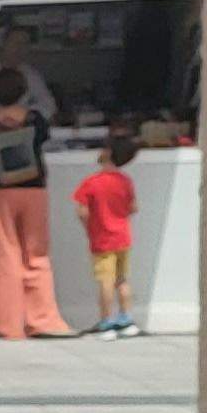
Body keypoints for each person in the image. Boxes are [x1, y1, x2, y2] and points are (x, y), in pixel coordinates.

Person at [0, 68, 69, 340]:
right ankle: (44, 319)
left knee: (2, 256)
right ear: (24, 91)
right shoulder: (36, 120)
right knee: (37, 255)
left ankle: (9, 324)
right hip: (34, 188)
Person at [76, 132, 143, 338]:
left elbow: (82, 210)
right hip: (123, 237)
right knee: (122, 279)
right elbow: (133, 208)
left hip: (102, 238)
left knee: (105, 281)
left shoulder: (92, 182)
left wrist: (89, 228)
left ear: (107, 153)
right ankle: (126, 320)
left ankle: (106, 322)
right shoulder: (125, 181)